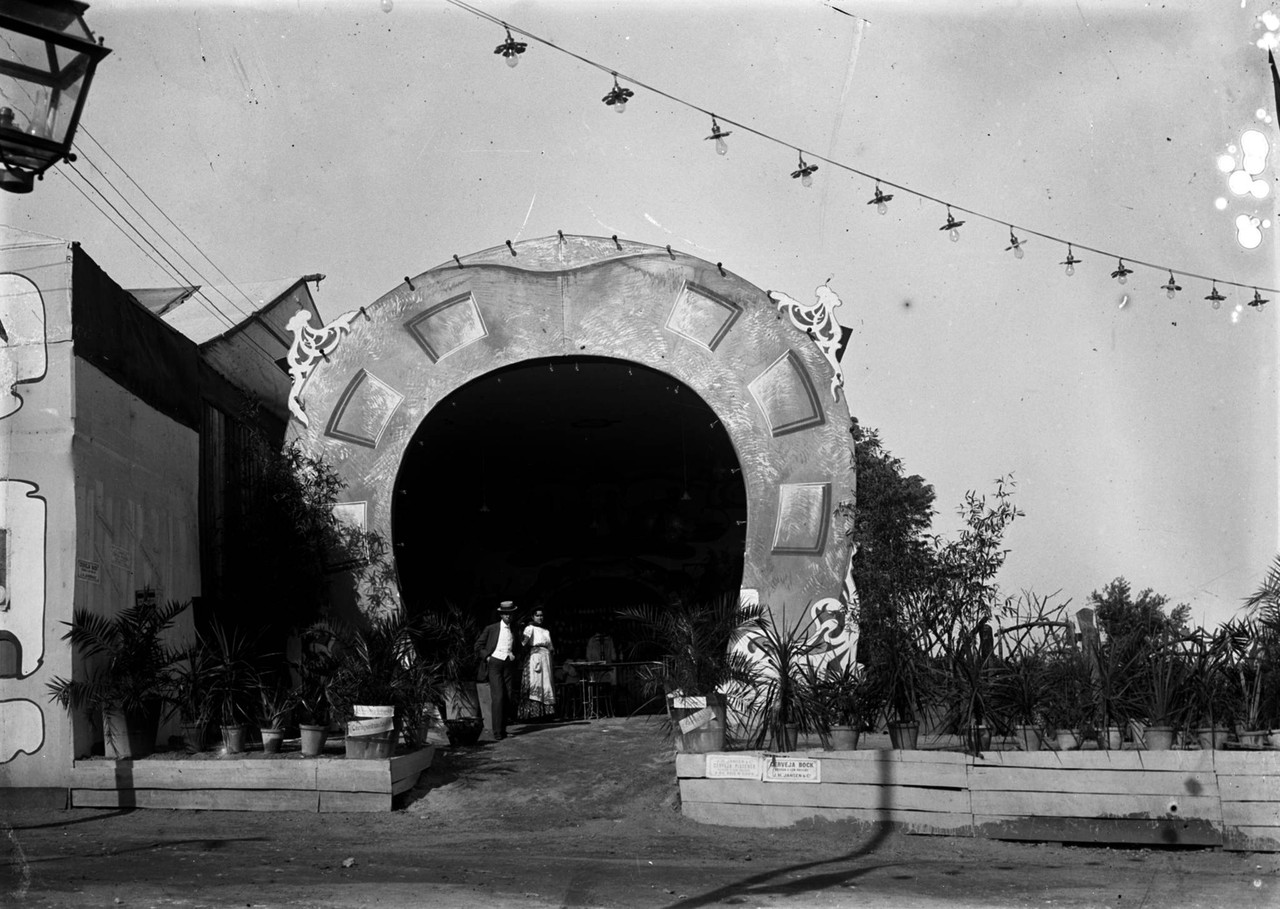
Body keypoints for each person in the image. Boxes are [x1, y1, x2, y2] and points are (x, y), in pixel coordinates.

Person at [475, 600, 521, 740]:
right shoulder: (492, 628)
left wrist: (514, 655)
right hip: (494, 662)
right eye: (505, 614)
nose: (508, 616)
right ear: (501, 615)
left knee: (507, 696)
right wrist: (488, 657)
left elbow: (518, 647)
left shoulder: (514, 629)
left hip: (508, 664)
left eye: (510, 614)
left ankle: (503, 729)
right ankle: (497, 732)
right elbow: (478, 645)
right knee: (498, 696)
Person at [518, 608, 557, 721]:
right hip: (535, 657)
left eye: (541, 615)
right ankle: (533, 713)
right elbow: (523, 643)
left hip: (546, 658)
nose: (540, 618)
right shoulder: (530, 628)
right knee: (535, 682)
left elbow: (551, 647)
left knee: (546, 683)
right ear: (533, 617)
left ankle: (546, 713)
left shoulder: (546, 631)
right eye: (537, 615)